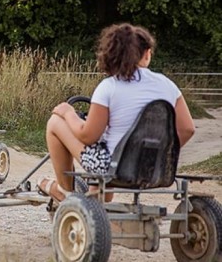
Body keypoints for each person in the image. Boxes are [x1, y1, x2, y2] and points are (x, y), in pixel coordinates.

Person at [37, 23, 195, 203]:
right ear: (146, 53)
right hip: (156, 167)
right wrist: (161, 154)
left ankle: (64, 192)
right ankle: (97, 202)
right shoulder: (167, 85)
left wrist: (68, 113)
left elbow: (88, 136)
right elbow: (187, 129)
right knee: (108, 146)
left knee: (55, 122)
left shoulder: (109, 87)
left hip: (114, 168)